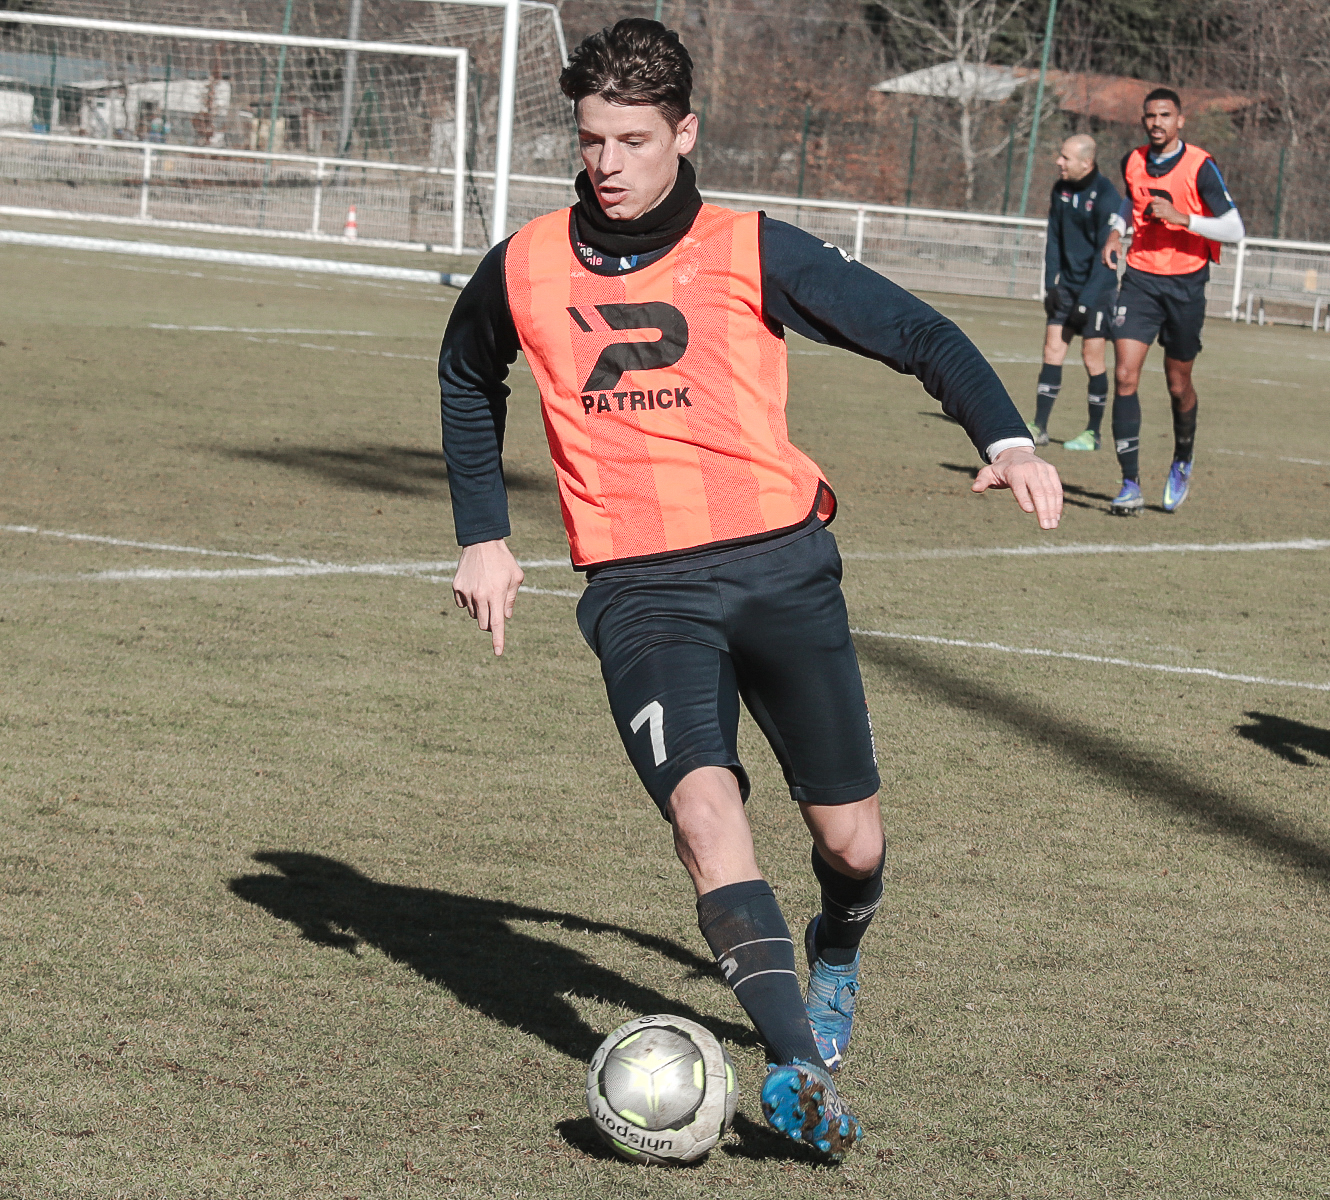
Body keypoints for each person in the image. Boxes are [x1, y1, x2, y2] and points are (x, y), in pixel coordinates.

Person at [439, 18, 1063, 1162]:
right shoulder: (525, 262)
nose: (607, 164)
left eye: (633, 139)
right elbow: (464, 367)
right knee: (703, 810)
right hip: (638, 588)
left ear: (685, 132)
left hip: (779, 569)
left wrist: (1009, 439)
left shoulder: (749, 247)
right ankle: (799, 1070)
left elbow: (914, 331)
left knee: (854, 842)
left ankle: (836, 945)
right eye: (590, 141)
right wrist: (483, 534)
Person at [1102, 87, 1243, 513]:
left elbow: (1234, 229)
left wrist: (1186, 219)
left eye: (1165, 115)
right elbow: (1130, 200)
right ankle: (1129, 484)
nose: (1157, 122)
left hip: (1185, 285)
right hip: (1141, 279)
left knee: (1178, 384)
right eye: (1150, 116)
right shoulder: (1133, 159)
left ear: (1180, 120)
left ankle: (1182, 457)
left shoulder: (1200, 166)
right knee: (1125, 377)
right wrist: (1115, 230)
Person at [1032, 135, 1125, 452]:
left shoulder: (1107, 196)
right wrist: (1050, 285)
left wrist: (1086, 303)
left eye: (1065, 157)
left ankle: (1092, 433)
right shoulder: (1060, 189)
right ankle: (1040, 427)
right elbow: (1054, 240)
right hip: (1067, 286)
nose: (1059, 162)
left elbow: (1106, 256)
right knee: (1052, 351)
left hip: (1097, 290)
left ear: (1086, 163)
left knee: (1092, 358)